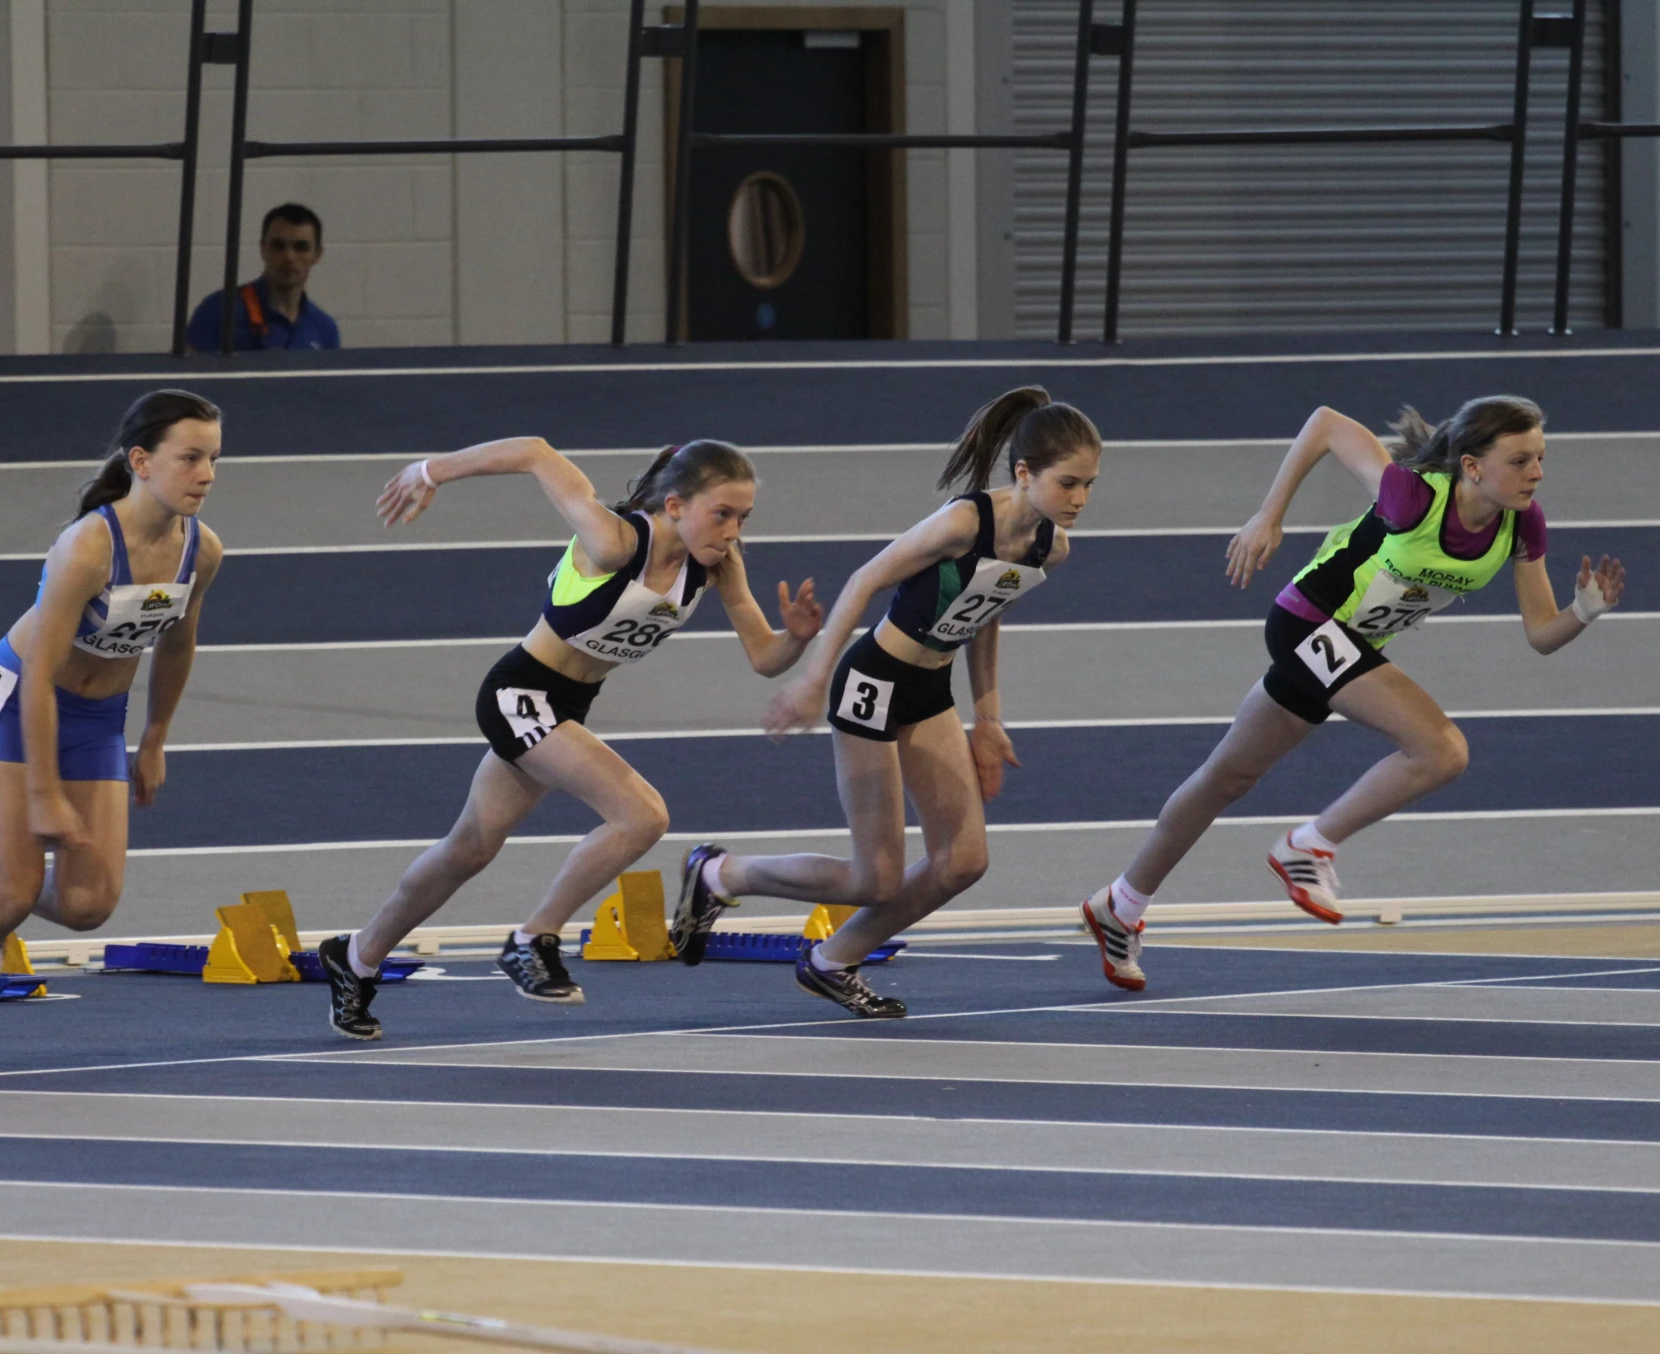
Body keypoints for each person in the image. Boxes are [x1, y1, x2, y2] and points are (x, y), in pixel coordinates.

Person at [1079, 396, 1628, 991]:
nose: (1537, 473)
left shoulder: (1524, 524)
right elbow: (1324, 422)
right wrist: (1270, 515)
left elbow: (1542, 634)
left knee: (1225, 778)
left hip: (1346, 644)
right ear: (1472, 466)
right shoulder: (1413, 496)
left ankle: (1121, 902)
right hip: (1309, 621)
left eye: (1541, 458)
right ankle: (1307, 846)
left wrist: (1583, 611)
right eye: (1521, 460)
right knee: (1441, 750)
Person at [316, 438, 825, 1041]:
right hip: (520, 693)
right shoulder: (615, 541)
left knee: (469, 850)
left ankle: (355, 958)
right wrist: (430, 470)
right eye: (723, 514)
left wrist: (795, 638)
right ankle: (533, 939)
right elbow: (535, 452)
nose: (734, 531)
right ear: (674, 505)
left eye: (744, 518)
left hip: (568, 705)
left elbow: (764, 657)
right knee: (642, 816)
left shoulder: (716, 565)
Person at [669, 387, 1098, 1020]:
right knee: (875, 878)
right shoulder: (963, 523)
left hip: (930, 691)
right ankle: (721, 874)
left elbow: (988, 613)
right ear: (1024, 473)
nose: (1080, 500)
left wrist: (989, 719)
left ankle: (832, 962)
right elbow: (865, 579)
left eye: (1090, 485)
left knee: (963, 862)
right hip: (875, 682)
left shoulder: (1049, 547)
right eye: (1069, 483)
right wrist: (816, 678)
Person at [0, 390, 227, 1073]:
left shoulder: (201, 551)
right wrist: (43, 792)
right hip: (20, 700)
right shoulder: (85, 548)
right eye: (190, 458)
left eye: (214, 460)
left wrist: (155, 738)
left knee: (88, 905)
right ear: (142, 461)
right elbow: (41, 672)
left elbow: (177, 645)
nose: (205, 474)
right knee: (17, 892)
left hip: (97, 717)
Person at [186, 203, 340, 353]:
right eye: (278, 246)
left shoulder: (324, 329)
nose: (289, 257)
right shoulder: (219, 310)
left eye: (301, 247)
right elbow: (183, 374)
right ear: (263, 249)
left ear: (317, 255)